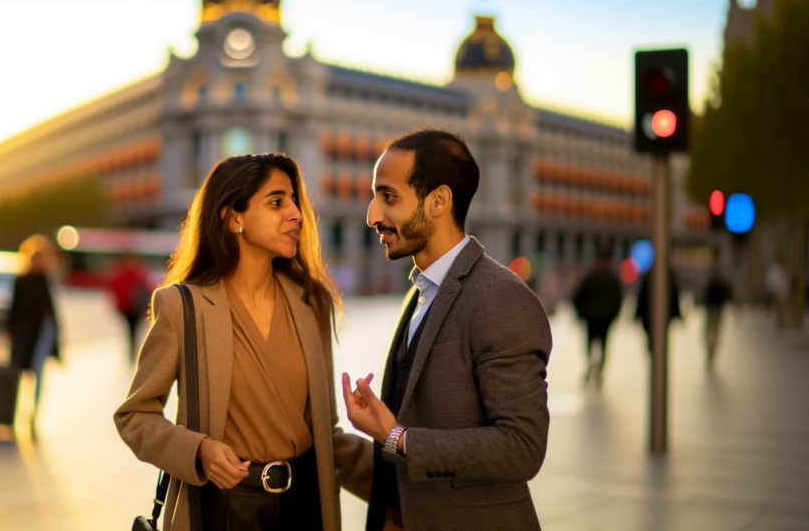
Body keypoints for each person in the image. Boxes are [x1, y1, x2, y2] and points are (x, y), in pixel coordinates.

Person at [114, 153, 373, 531]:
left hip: (305, 507)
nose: (296, 213)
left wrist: (404, 479)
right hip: (223, 509)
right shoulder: (182, 306)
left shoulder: (311, 303)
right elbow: (134, 417)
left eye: (294, 200)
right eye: (276, 202)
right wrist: (198, 450)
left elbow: (324, 435)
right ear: (233, 216)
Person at [342, 129, 552, 531]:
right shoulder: (421, 288)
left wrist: (396, 437)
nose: (372, 215)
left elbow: (522, 447)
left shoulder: (501, 298)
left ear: (438, 201)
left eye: (388, 197)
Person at [7, 245, 60, 434]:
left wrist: (56, 341)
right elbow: (14, 308)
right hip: (22, 338)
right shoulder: (22, 281)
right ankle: (12, 415)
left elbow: (51, 311)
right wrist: (10, 330)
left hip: (38, 339)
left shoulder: (44, 281)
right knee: (17, 377)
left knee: (37, 378)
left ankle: (32, 416)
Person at [572, 249, 624, 387]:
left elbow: (578, 297)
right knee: (600, 345)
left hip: (596, 318)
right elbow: (618, 299)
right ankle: (596, 368)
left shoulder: (593, 276)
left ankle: (594, 368)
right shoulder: (609, 278)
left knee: (593, 345)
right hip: (599, 318)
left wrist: (580, 313)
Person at [109, 254, 151, 361]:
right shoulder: (136, 274)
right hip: (129, 308)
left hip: (132, 308)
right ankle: (132, 353)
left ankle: (131, 353)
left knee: (132, 331)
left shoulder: (126, 274)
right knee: (132, 331)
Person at [635, 265, 682, 355]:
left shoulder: (655, 274)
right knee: (656, 341)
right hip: (652, 317)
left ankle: (657, 359)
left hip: (655, 317)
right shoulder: (663, 274)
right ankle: (656, 359)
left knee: (657, 341)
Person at [702, 250, 733, 371]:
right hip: (711, 305)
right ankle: (710, 349)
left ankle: (712, 352)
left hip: (718, 305)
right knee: (709, 330)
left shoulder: (722, 271)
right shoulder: (711, 270)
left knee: (714, 330)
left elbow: (731, 286)